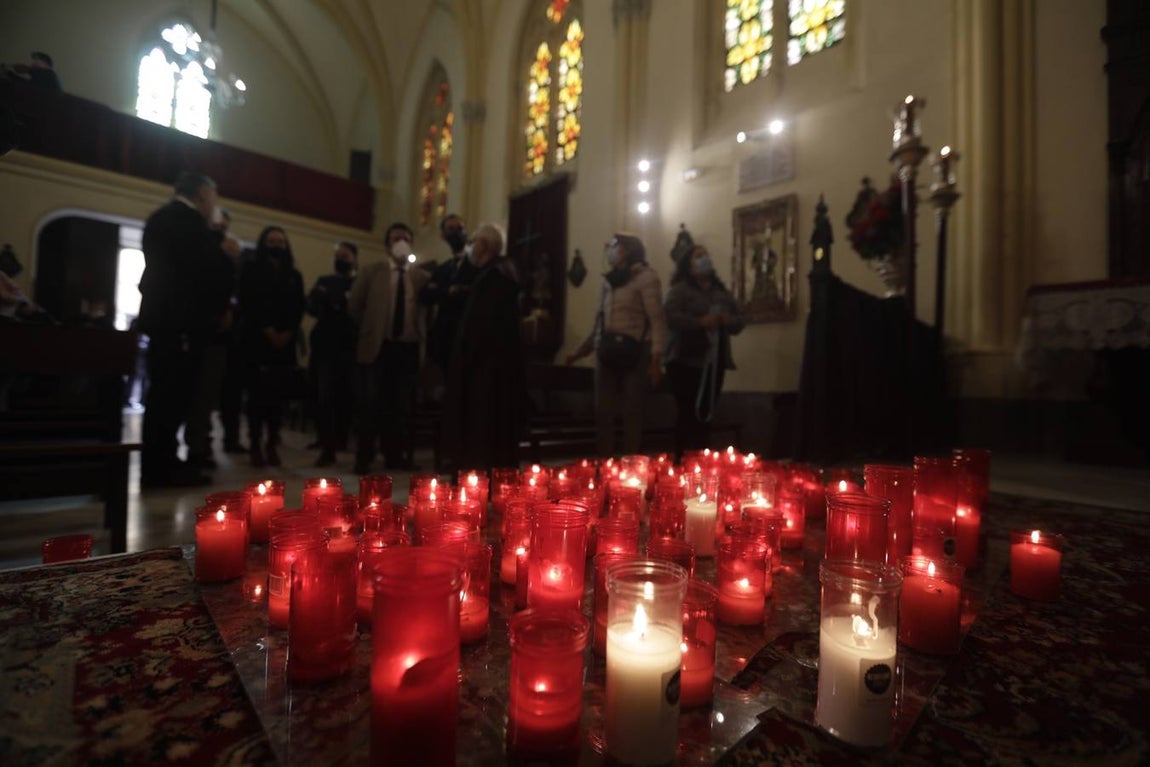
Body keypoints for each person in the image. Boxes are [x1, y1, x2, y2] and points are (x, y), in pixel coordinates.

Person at [137, 172, 219, 487]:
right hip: (179, 325)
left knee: (164, 398)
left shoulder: (162, 217)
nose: (214, 204)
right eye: (213, 197)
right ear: (202, 193)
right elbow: (196, 278)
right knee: (169, 400)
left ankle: (162, 464)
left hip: (165, 322)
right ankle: (161, 470)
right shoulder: (188, 222)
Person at [566, 233, 667, 457]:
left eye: (614, 245)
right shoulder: (609, 281)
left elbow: (657, 319)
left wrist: (656, 359)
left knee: (632, 410)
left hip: (636, 349)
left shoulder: (646, 277)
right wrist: (578, 353)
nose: (609, 249)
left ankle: (631, 463)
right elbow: (600, 323)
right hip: (607, 349)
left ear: (628, 250)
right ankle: (605, 462)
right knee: (603, 410)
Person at [442, 224, 526, 470]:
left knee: (483, 429)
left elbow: (480, 328)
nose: (470, 246)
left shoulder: (494, 277)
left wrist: (464, 359)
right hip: (496, 368)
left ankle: (480, 481)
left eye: (474, 241)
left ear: (485, 246)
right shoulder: (499, 274)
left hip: (485, 371)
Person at [349, 222, 429, 474]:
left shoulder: (420, 277)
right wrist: (371, 330)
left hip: (405, 349)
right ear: (387, 245)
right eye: (396, 239)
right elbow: (355, 306)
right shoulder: (373, 271)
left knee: (399, 406)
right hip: (378, 346)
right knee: (370, 403)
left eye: (405, 238)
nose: (401, 243)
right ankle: (363, 456)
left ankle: (394, 455)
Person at [663, 244, 745, 460]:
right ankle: (681, 459)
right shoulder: (679, 290)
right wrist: (700, 321)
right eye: (699, 256)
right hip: (684, 359)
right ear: (688, 265)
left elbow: (741, 319)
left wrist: (728, 320)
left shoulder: (721, 292)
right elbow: (670, 317)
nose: (704, 259)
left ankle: (701, 460)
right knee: (687, 410)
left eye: (706, 255)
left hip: (714, 361)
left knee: (706, 413)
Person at [236, 226, 305, 467]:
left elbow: (298, 306)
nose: (276, 245)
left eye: (280, 241)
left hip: (284, 345)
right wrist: (267, 330)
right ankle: (255, 443)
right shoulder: (251, 269)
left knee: (278, 398)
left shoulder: (294, 275)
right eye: (271, 240)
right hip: (257, 340)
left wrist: (287, 332)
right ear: (263, 243)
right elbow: (248, 301)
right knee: (257, 397)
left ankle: (272, 443)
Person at [185, 206, 240, 469]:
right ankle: (193, 448)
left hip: (218, 337)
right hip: (195, 331)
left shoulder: (226, 261)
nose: (220, 230)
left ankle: (200, 447)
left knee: (206, 396)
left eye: (224, 226)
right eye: (217, 225)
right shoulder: (196, 255)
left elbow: (230, 293)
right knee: (191, 394)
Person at [306, 241, 358, 467]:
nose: (341, 260)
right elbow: (312, 305)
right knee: (324, 397)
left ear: (354, 259)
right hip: (325, 348)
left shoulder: (358, 283)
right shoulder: (324, 281)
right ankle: (326, 445)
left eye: (345, 256)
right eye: (338, 256)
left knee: (347, 398)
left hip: (351, 349)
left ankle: (341, 440)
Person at [419, 213, 477, 383]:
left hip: (470, 337)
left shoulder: (477, 264)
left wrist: (442, 290)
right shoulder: (443, 268)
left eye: (460, 229)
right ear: (443, 236)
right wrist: (449, 290)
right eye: (451, 229)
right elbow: (425, 295)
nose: (457, 233)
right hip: (446, 340)